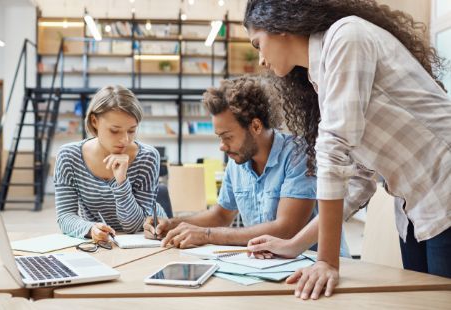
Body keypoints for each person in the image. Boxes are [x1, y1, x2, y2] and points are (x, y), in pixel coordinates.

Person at [243, 0, 451, 301]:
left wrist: (326, 261)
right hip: (416, 207)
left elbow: (334, 150)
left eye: (257, 44)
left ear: (280, 26)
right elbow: (358, 180)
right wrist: (296, 244)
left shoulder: (346, 37)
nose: (261, 59)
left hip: (443, 189)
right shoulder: (321, 75)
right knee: (423, 302)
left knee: (438, 302)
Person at [143, 76, 349, 257]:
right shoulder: (237, 161)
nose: (222, 146)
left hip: (315, 265)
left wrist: (206, 235)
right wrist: (172, 224)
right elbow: (221, 215)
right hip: (270, 265)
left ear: (256, 126)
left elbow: (286, 229)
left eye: (228, 137)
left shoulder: (297, 154)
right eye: (219, 137)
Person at [54, 85, 167, 243]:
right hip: (102, 242)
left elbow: (133, 226)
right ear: (94, 121)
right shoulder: (69, 156)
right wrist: (90, 229)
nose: (125, 140)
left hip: (143, 240)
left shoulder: (147, 157)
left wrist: (121, 181)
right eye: (115, 131)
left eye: (131, 130)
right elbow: (65, 216)